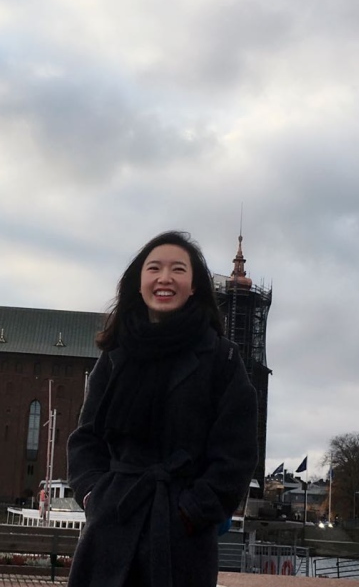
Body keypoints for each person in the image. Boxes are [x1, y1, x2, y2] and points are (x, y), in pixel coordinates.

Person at [67, 231, 258, 587]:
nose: (165, 278)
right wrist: (94, 496)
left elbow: (237, 454)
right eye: (154, 268)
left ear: (194, 285)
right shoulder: (116, 355)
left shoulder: (222, 359)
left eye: (178, 269)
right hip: (112, 526)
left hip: (179, 540)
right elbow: (86, 439)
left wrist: (191, 512)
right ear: (139, 284)